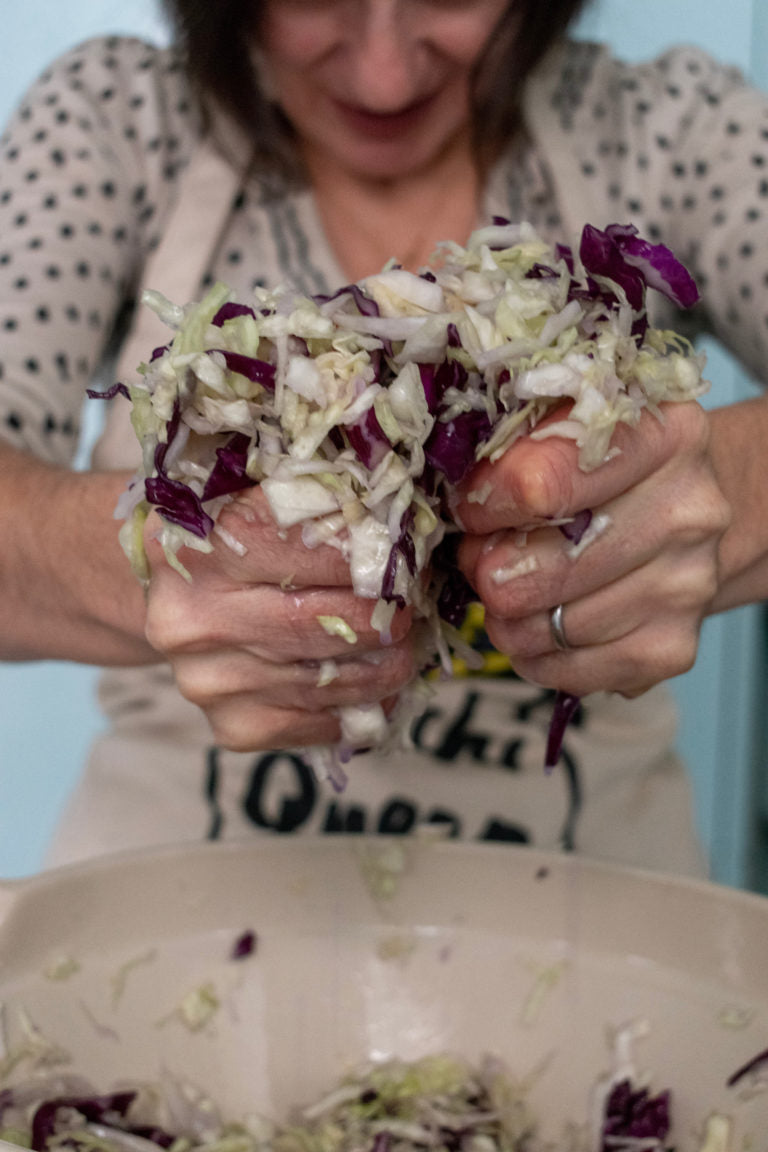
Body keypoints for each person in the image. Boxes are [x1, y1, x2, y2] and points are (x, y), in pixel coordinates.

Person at [0, 0, 765, 874]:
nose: (385, 75)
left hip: (591, 931)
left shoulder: (663, 128)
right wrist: (154, 556)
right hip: (179, 910)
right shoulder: (121, 121)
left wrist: (726, 490)